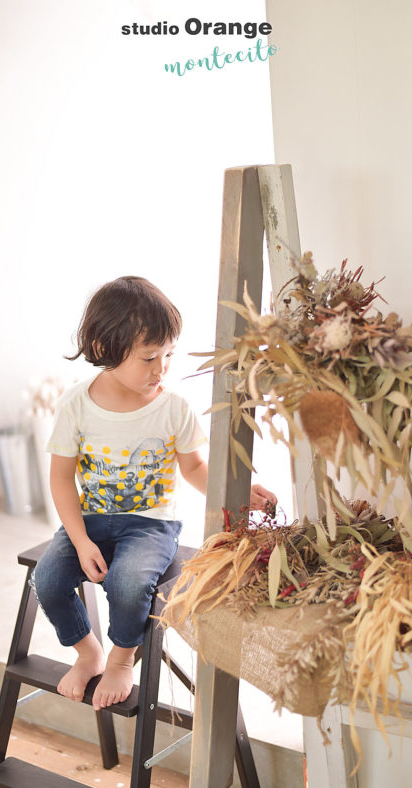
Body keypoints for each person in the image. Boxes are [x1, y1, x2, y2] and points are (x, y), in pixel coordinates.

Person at [32, 276, 277, 711]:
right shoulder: (76, 405)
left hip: (151, 525)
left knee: (129, 585)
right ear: (104, 347)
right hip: (88, 521)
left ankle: (122, 659)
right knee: (48, 580)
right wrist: (82, 540)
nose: (161, 368)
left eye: (168, 354)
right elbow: (60, 479)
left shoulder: (173, 408)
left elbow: (195, 468)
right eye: (149, 357)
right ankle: (87, 652)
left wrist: (238, 495)